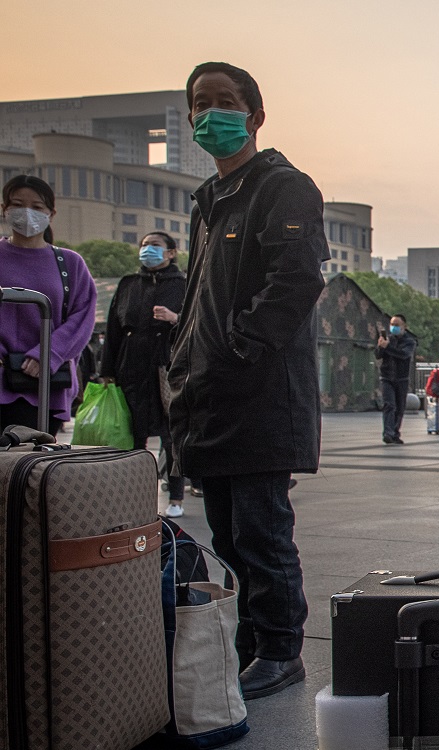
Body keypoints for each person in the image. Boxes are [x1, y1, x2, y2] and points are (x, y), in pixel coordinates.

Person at [166, 61, 329, 700]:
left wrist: (239, 352)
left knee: (262, 529)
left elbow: (295, 281)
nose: (211, 113)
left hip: (256, 393)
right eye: (200, 103)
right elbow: (201, 299)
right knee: (229, 533)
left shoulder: (282, 187)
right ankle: (250, 641)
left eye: (225, 101)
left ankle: (282, 647)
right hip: (209, 393)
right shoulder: (210, 201)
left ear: (256, 115)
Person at [0, 175, 96, 434]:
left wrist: (47, 354)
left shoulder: (70, 263)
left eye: (37, 207)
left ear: (51, 213)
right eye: (18, 204)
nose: (27, 213)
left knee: (31, 469)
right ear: (4, 209)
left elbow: (83, 317)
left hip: (44, 385)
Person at [100, 231, 187, 514]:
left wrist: (175, 319)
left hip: (167, 366)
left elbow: (196, 323)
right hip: (131, 365)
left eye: (155, 245)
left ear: (171, 252)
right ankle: (135, 493)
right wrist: (107, 369)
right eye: (144, 245)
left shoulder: (183, 284)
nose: (148, 250)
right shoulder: (128, 283)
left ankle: (175, 497)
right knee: (132, 434)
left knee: (171, 434)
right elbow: (113, 328)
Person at [377, 314, 417, 444]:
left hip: (401, 378)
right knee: (389, 405)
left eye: (396, 325)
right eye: (392, 324)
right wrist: (380, 347)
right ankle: (388, 433)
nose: (393, 327)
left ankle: (395, 432)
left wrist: (387, 347)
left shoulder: (409, 341)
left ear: (404, 326)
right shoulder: (387, 339)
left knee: (400, 407)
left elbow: (403, 355)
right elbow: (378, 355)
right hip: (387, 377)